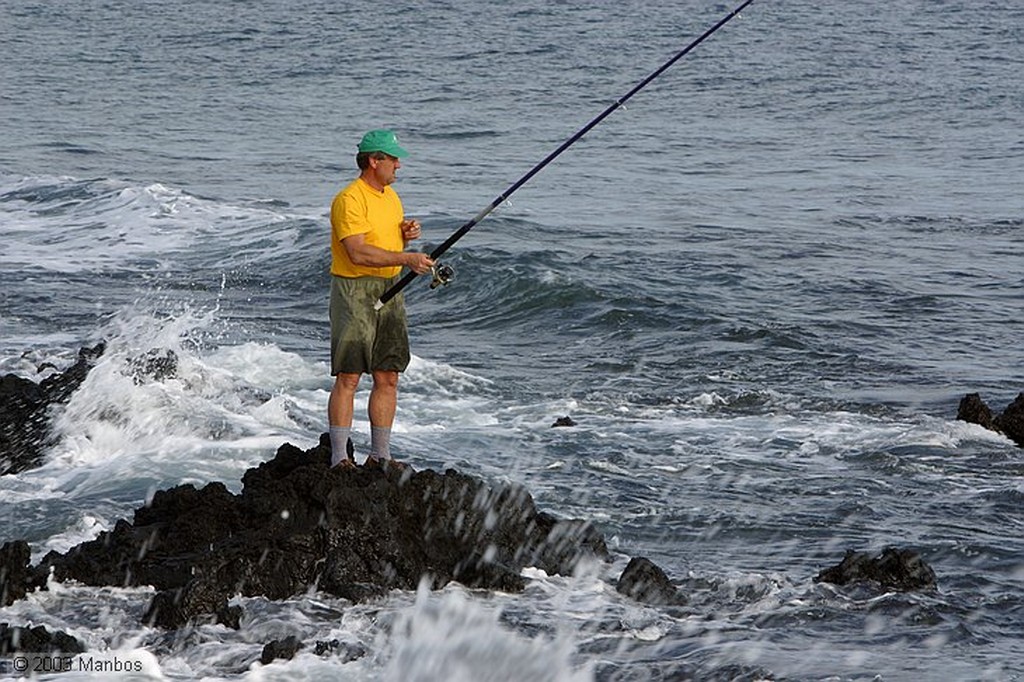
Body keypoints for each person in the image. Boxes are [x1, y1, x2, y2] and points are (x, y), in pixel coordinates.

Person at [327, 129, 434, 470]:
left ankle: (380, 455)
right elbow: (357, 252)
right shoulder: (349, 199)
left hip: (390, 291)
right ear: (374, 161)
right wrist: (407, 259)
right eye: (393, 159)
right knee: (350, 376)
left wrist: (404, 234)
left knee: (387, 375)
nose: (398, 165)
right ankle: (339, 457)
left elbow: (383, 239)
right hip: (354, 291)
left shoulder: (390, 197)